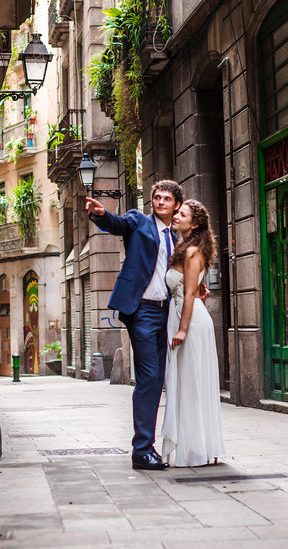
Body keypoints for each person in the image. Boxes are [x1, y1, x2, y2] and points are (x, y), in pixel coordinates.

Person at [85, 180, 183, 471]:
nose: (161, 202)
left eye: (167, 198)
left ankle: (146, 447)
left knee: (156, 378)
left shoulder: (177, 238)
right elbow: (117, 224)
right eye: (157, 197)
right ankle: (141, 450)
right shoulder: (138, 221)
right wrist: (101, 215)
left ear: (177, 204)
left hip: (167, 313)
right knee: (149, 376)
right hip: (141, 311)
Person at [160, 199, 226, 467]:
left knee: (192, 383)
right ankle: (196, 444)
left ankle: (197, 448)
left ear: (195, 223)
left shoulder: (192, 251)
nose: (176, 216)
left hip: (191, 322)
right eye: (177, 213)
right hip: (182, 314)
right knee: (186, 383)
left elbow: (188, 292)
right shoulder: (183, 247)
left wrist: (182, 330)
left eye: (182, 214)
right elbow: (193, 288)